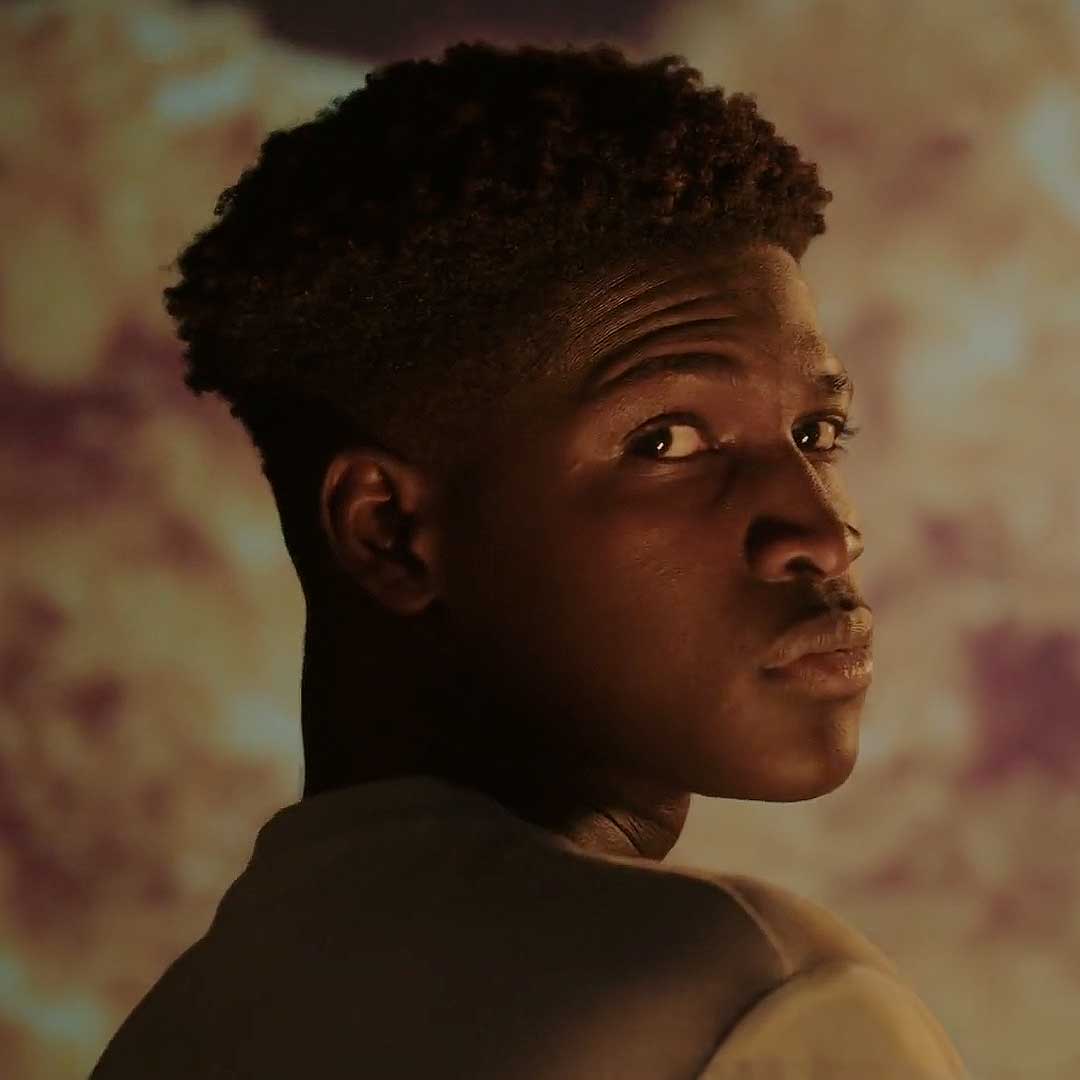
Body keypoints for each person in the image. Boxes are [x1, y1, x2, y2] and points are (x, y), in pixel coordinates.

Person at [91, 41, 970, 1079]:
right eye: (667, 442)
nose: (823, 534)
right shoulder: (749, 1001)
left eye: (819, 434)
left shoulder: (173, 1032)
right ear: (387, 530)